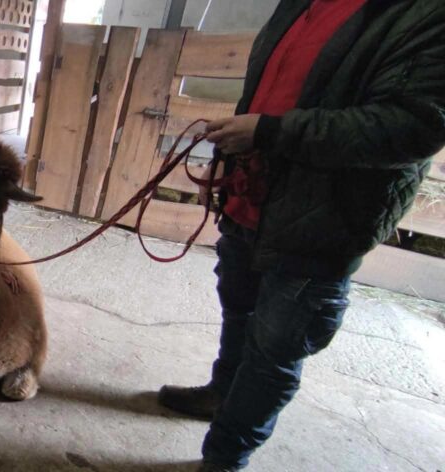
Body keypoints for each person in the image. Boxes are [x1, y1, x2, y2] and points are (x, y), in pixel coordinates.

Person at [158, 1, 445, 470]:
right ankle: (222, 394)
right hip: (255, 195)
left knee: (276, 346)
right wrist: (231, 156)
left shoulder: (423, 14)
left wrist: (271, 133)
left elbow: (413, 127)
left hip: (325, 217)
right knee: (239, 310)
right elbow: (270, 90)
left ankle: (225, 457)